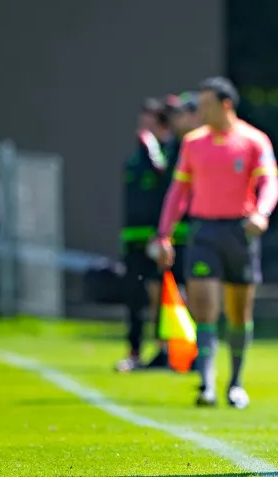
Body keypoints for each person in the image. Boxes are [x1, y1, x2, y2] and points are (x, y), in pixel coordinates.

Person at [154, 77, 278, 410]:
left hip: (241, 233)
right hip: (204, 233)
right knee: (204, 306)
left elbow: (270, 183)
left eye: (206, 105)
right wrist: (164, 233)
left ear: (226, 105)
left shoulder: (255, 141)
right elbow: (178, 192)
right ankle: (207, 383)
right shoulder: (193, 143)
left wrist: (262, 214)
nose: (199, 111)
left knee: (239, 313)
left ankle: (235, 383)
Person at [115, 98, 188, 373]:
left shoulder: (168, 153)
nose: (143, 128)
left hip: (156, 239)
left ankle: (166, 350)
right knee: (134, 297)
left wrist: (160, 235)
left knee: (162, 295)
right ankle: (134, 351)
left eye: (150, 122)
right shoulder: (136, 156)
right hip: (133, 239)